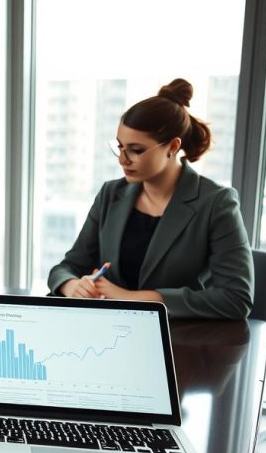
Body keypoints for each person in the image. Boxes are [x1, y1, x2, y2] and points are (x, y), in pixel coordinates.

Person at [47, 79, 253, 319]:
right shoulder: (110, 194)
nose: (123, 160)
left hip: (180, 340)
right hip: (111, 334)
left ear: (173, 146)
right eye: (119, 147)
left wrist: (135, 298)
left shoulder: (216, 203)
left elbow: (237, 299)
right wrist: (72, 285)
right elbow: (67, 267)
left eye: (135, 150)